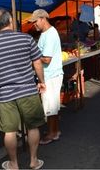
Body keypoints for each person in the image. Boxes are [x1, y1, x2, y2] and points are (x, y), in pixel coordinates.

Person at [0, 9, 45, 170]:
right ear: (11, 21)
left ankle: (14, 164)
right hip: (28, 90)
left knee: (10, 131)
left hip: (6, 94)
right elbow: (37, 63)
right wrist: (41, 81)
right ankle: (33, 161)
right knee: (33, 126)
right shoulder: (26, 39)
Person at [28, 9, 64, 146]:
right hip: (51, 74)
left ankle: (52, 133)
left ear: (43, 18)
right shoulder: (46, 33)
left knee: (50, 107)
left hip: (51, 75)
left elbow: (47, 59)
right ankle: (54, 131)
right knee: (52, 106)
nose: (34, 25)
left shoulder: (49, 34)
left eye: (35, 21)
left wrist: (32, 58)